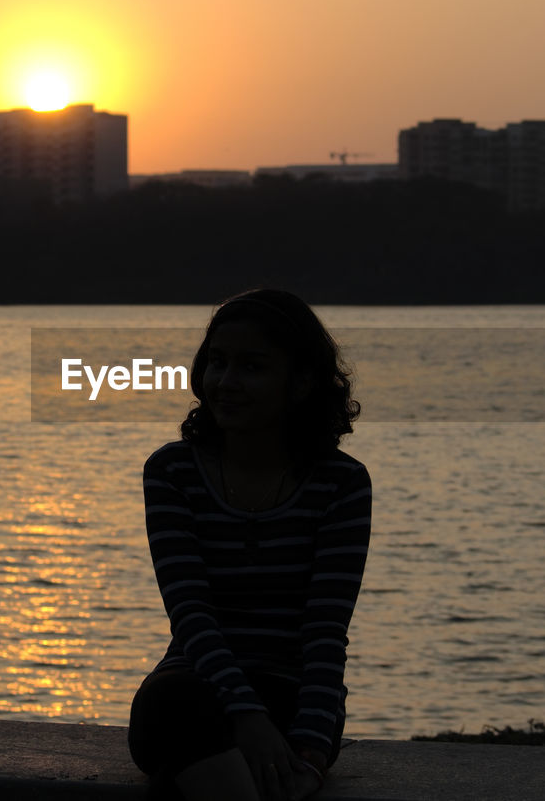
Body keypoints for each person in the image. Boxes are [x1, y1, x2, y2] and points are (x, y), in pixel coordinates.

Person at [127, 289, 371, 801]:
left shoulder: (341, 484)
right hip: (194, 691)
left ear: (301, 382)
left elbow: (325, 632)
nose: (226, 383)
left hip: (293, 696)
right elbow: (190, 615)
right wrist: (246, 719)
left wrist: (308, 752)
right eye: (217, 363)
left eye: (252, 367)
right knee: (171, 704)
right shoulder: (172, 472)